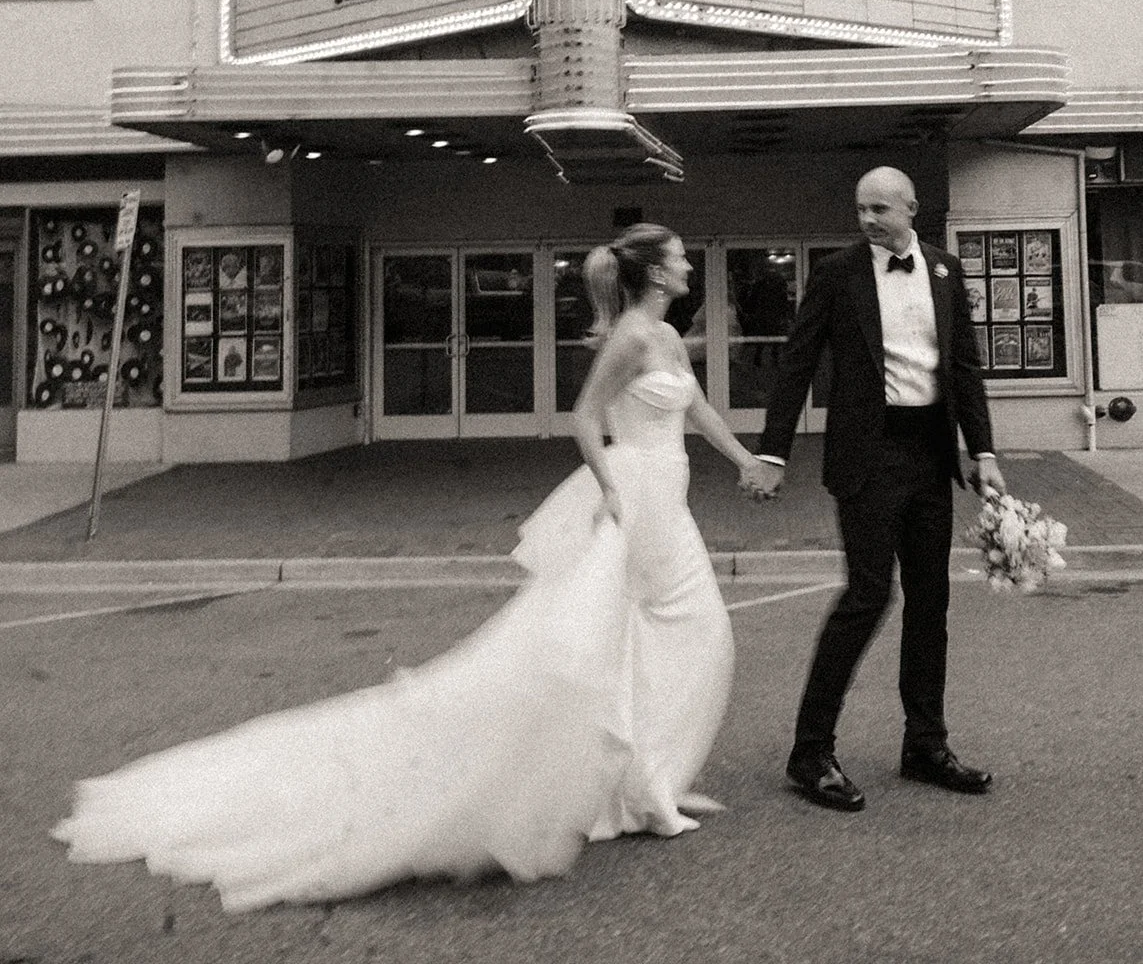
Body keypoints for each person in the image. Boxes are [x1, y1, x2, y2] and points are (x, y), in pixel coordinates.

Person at [53, 223, 771, 911]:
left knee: (690, 633)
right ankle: (637, 787)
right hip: (631, 501)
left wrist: (746, 461)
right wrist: (610, 487)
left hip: (669, 502)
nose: (686, 266)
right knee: (602, 646)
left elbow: (699, 409)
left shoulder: (670, 336)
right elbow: (585, 415)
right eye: (677, 258)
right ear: (653, 272)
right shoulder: (628, 338)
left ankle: (646, 780)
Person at [750, 167, 1006, 812]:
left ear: (910, 209)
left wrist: (984, 451)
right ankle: (811, 753)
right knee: (867, 596)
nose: (867, 219)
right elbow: (799, 359)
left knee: (930, 602)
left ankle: (925, 745)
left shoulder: (946, 271)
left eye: (880, 209)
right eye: (861, 209)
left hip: (929, 456)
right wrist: (773, 450)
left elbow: (965, 368)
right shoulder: (838, 274)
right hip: (868, 456)